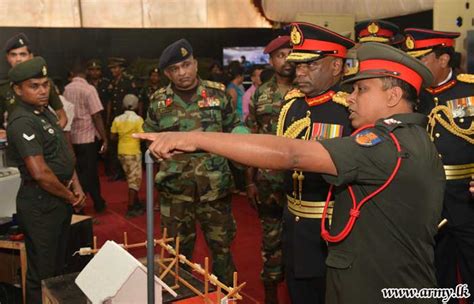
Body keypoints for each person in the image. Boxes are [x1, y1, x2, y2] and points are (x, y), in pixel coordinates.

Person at [135, 42, 444, 304]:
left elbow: (291, 153)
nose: (350, 96)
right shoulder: (408, 137)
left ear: (392, 97)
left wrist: (194, 138)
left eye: (362, 89)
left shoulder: (385, 145)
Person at [143, 38, 241, 285]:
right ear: (167, 73)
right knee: (176, 255)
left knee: (222, 251)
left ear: (195, 64)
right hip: (175, 192)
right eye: (174, 69)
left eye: (186, 65)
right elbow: (150, 136)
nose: (182, 73)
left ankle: (225, 298)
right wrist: (155, 150)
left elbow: (235, 129)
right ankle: (180, 295)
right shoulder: (158, 101)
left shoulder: (218, 94)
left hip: (215, 190)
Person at [277, 23, 355, 304]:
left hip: (331, 229)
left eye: (310, 66)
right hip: (293, 223)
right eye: (298, 66)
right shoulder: (292, 104)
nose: (300, 73)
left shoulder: (349, 109)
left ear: (336, 66)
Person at [6, 57, 86, 303]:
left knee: (58, 268)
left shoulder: (45, 113)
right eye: (34, 86)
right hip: (40, 205)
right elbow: (40, 172)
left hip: (57, 200)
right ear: (18, 90)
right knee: (41, 274)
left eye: (45, 84)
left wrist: (77, 186)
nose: (42, 91)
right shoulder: (22, 121)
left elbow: (62, 153)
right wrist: (70, 196)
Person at [404, 28, 474, 303]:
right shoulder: (412, 98)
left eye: (420, 58)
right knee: (434, 274)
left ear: (443, 59)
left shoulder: (469, 91)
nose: (414, 66)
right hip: (426, 201)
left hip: (467, 199)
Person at [244, 34, 294, 303]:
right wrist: (249, 181)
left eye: (290, 54)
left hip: (304, 182)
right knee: (271, 242)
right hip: (269, 183)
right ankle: (271, 297)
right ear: (271, 60)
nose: (287, 60)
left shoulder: (309, 89)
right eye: (280, 55)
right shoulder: (261, 94)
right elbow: (252, 138)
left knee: (303, 245)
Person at [64, 61, 108, 214]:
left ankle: (99, 202)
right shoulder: (89, 89)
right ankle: (80, 207)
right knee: (88, 174)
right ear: (86, 73)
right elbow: (96, 115)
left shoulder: (66, 90)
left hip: (71, 137)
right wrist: (104, 138)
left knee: (82, 171)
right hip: (87, 137)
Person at [0, 33, 67, 133]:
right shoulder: (3, 87)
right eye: (13, 55)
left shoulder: (45, 83)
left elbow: (62, 117)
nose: (18, 59)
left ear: (31, 56)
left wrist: (50, 136)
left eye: (23, 54)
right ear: (7, 58)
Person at [110, 94, 145, 218]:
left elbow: (113, 137)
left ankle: (136, 203)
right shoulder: (138, 120)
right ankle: (131, 208)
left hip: (121, 151)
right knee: (134, 182)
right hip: (133, 152)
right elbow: (141, 136)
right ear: (136, 106)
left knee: (130, 178)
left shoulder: (117, 119)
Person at [106, 57, 136, 181]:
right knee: (114, 146)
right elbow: (109, 102)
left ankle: (127, 172)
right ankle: (117, 171)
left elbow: (134, 101)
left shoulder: (128, 82)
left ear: (121, 68)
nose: (112, 70)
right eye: (111, 68)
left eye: (115, 67)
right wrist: (108, 118)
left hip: (126, 118)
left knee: (126, 145)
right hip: (115, 118)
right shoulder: (112, 82)